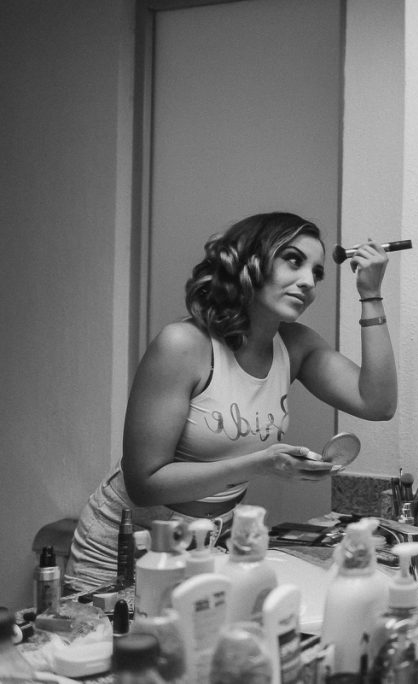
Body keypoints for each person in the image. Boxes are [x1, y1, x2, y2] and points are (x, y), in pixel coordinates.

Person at [67, 212, 397, 589]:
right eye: (293, 260)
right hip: (125, 547)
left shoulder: (295, 345)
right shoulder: (183, 346)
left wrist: (370, 294)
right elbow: (145, 484)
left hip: (209, 543)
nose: (307, 281)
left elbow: (378, 403)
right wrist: (261, 464)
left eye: (317, 272)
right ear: (251, 262)